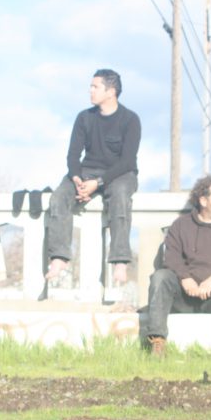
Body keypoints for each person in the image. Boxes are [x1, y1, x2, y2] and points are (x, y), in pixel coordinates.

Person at [44, 69, 141, 285]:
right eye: (91, 86)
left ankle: (120, 260)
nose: (90, 90)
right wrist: (77, 179)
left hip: (120, 173)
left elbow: (127, 161)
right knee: (59, 197)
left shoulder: (130, 119)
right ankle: (59, 257)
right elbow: (72, 155)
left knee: (120, 196)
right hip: (87, 171)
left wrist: (97, 183)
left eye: (95, 86)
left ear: (111, 91)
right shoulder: (84, 118)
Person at [145, 175, 211, 357]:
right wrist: (185, 278)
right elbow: (170, 256)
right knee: (160, 277)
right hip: (186, 296)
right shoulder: (181, 226)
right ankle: (157, 343)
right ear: (203, 200)